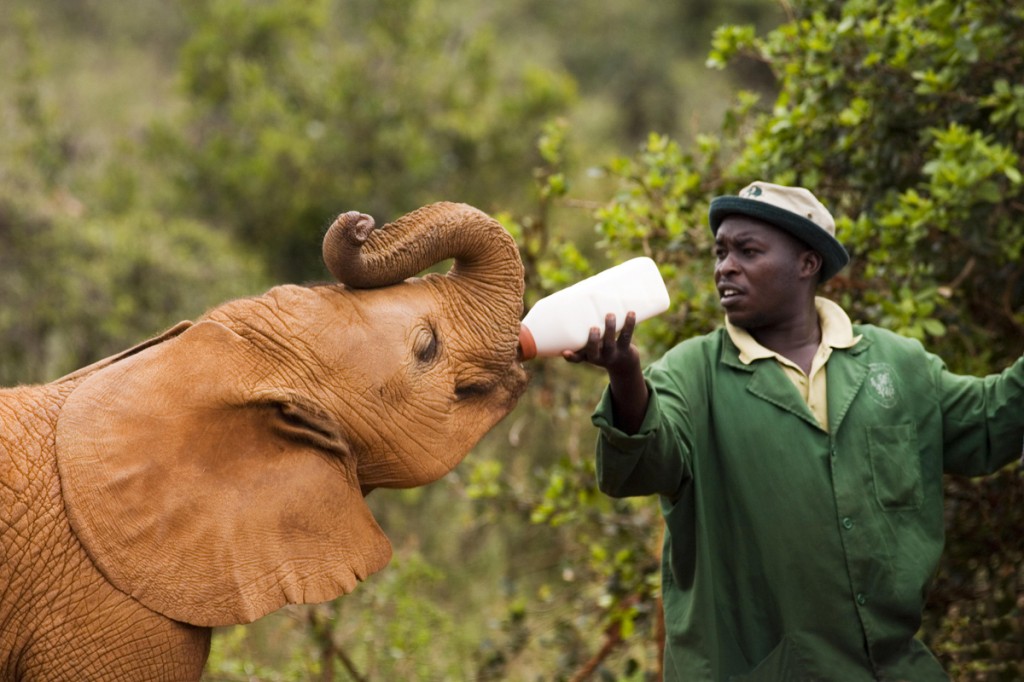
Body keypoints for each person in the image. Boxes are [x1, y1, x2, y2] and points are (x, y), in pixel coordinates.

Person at [565, 180, 1024, 681]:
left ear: (808, 264)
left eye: (747, 250)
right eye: (720, 252)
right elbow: (643, 463)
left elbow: (989, 423)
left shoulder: (896, 365)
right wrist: (626, 375)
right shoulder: (692, 373)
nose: (725, 267)